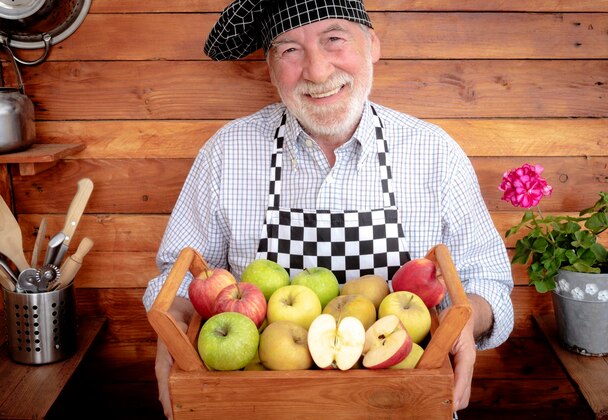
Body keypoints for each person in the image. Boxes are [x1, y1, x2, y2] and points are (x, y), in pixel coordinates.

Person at [143, 1, 514, 418]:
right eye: (289, 50)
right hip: (258, 404)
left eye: (334, 39)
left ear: (372, 44)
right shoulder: (227, 153)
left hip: (399, 403)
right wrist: (172, 325)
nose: (317, 72)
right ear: (270, 68)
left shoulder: (434, 153)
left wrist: (466, 321)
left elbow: (488, 279)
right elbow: (177, 274)